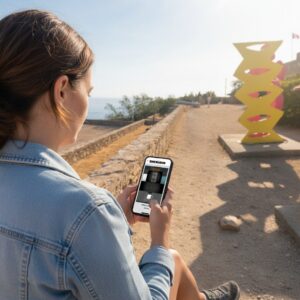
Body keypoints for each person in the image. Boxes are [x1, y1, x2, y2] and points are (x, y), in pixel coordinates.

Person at [0, 9, 240, 300]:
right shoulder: (85, 208)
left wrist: (113, 223)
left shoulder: (86, 212)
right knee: (168, 257)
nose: (88, 102)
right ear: (61, 91)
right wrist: (158, 241)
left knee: (172, 262)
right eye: (88, 91)